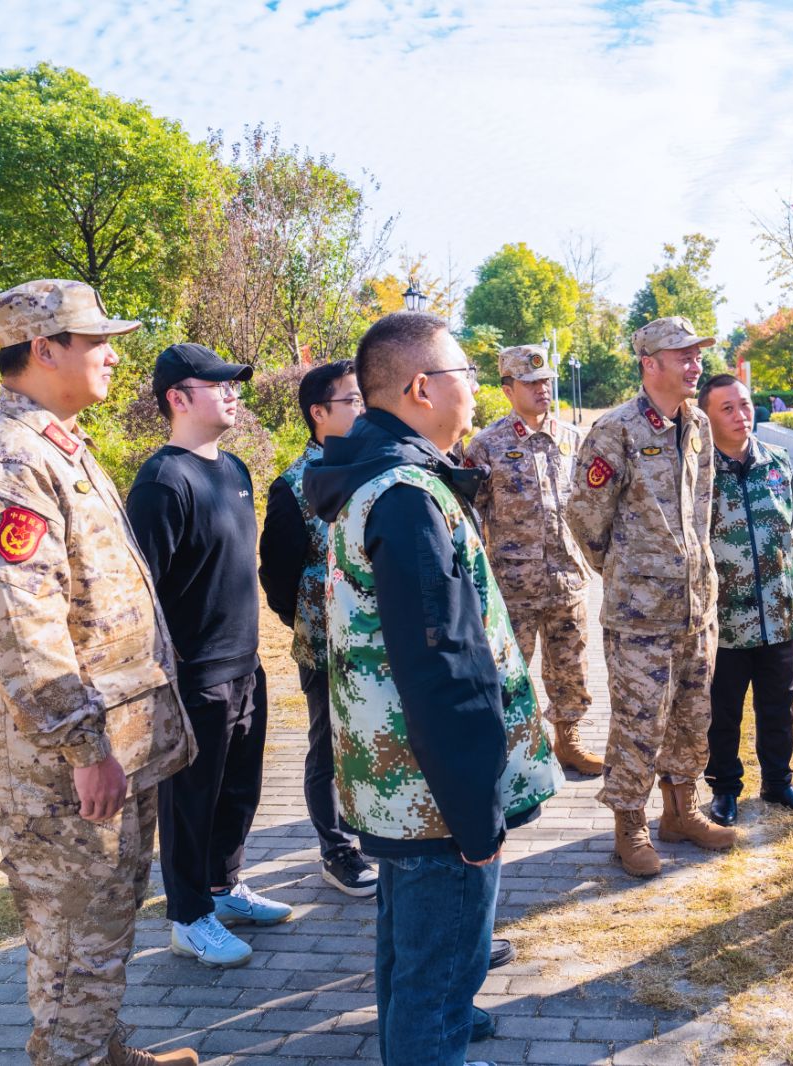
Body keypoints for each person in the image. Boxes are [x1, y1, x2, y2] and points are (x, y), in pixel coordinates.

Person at [0, 279, 198, 1066]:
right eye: (96, 341)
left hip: (104, 748)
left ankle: (98, 1050)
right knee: (77, 942)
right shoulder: (11, 462)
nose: (114, 355)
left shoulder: (55, 444)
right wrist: (84, 747)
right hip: (65, 769)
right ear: (44, 349)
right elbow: (23, 631)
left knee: (99, 931)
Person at [302, 311, 560, 1066]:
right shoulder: (408, 496)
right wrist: (477, 813)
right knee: (436, 976)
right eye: (466, 374)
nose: (476, 391)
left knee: (410, 954)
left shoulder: (384, 478)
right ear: (422, 387)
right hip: (436, 797)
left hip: (408, 788)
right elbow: (441, 667)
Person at [127, 343, 291, 969]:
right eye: (217, 383)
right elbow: (140, 593)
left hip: (244, 664)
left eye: (234, 383)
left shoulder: (235, 470)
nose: (232, 393)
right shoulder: (163, 482)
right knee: (190, 801)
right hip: (192, 675)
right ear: (177, 397)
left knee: (239, 789)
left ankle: (225, 889)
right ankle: (189, 916)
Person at [566, 315, 735, 878]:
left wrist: (694, 567)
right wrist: (624, 570)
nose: (695, 364)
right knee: (640, 721)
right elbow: (586, 517)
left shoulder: (700, 426)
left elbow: (702, 508)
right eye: (682, 355)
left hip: (695, 604)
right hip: (639, 612)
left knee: (693, 714)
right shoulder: (614, 431)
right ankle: (629, 825)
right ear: (650, 364)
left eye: (697, 354)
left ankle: (681, 811)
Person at [258, 360, 379, 898]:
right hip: (328, 645)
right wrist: (308, 618)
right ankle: (336, 849)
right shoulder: (293, 484)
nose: (362, 408)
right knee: (327, 745)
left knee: (379, 737)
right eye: (351, 400)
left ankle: (379, 829)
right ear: (319, 413)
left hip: (381, 641)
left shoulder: (379, 467)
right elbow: (277, 574)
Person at [464, 344, 602, 776]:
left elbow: (589, 507)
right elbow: (472, 514)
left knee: (571, 669)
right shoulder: (486, 446)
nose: (542, 389)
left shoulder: (573, 440)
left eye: (546, 381)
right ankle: (519, 754)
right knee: (510, 673)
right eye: (531, 382)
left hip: (568, 580)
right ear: (508, 389)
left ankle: (569, 741)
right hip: (513, 585)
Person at [697, 374, 793, 827]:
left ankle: (778, 782)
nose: (740, 415)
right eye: (726, 408)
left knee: (778, 704)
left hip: (779, 614)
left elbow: (789, 524)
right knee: (723, 710)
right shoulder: (700, 472)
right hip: (725, 618)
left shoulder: (777, 462)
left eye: (744, 404)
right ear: (707, 417)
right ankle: (724, 788)